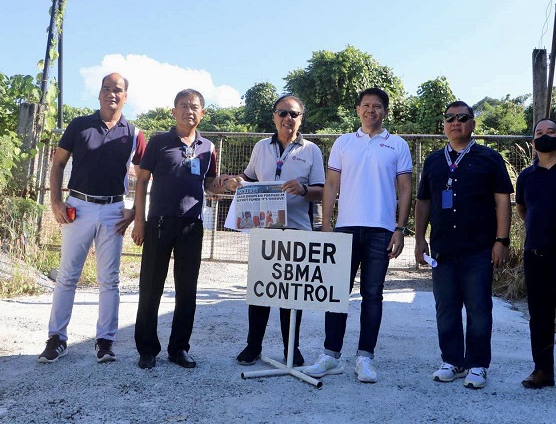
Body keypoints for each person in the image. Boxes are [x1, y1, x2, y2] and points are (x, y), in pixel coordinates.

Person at [301, 87, 412, 383]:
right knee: (336, 294)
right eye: (366, 105)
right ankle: (330, 356)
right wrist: (326, 226)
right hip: (345, 229)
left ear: (385, 111)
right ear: (358, 110)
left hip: (381, 231)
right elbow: (331, 186)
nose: (370, 110)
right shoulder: (343, 143)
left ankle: (365, 358)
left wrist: (399, 229)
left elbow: (404, 189)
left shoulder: (397, 145)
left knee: (372, 295)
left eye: (377, 106)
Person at [38, 72, 146, 364]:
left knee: (109, 279)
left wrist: (135, 211)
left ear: (126, 96)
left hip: (113, 211)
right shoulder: (79, 125)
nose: (112, 94)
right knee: (67, 276)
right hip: (79, 207)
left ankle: (105, 342)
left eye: (118, 90)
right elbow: (58, 163)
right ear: (99, 93)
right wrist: (56, 200)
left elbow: (144, 176)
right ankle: (56, 339)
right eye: (107, 88)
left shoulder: (134, 133)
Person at [214, 94, 325, 368]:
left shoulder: (311, 150)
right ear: (274, 117)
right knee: (260, 290)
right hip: (262, 230)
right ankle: (253, 346)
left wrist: (303, 189)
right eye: (282, 113)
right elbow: (249, 178)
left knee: (291, 293)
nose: (288, 118)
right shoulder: (261, 147)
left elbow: (322, 191)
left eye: (294, 114)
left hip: (296, 231)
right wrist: (235, 182)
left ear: (301, 118)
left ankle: (292, 349)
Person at [414, 100, 513, 389]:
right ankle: (452, 360)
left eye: (462, 117)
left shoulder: (489, 158)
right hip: (443, 249)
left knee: (479, 307)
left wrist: (501, 240)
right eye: (449, 118)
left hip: (479, 248)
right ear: (444, 125)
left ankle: (478, 364)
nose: (455, 122)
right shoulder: (433, 161)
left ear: (472, 123)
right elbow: (423, 203)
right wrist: (419, 239)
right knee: (446, 306)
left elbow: (502, 201)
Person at [131, 89, 217, 370]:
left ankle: (179, 348)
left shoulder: (208, 147)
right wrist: (139, 220)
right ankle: (147, 349)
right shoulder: (158, 143)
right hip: (158, 223)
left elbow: (209, 184)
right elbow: (142, 181)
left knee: (187, 290)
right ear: (173, 111)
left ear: (202, 113)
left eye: (194, 107)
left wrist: (226, 184)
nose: (188, 111)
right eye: (183, 106)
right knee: (151, 287)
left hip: (192, 224)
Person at [516, 119, 556, 394]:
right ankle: (543, 370)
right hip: (535, 254)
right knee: (539, 316)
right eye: (539, 133)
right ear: (533, 141)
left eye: (550, 132)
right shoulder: (526, 176)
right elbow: (522, 210)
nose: (544, 136)